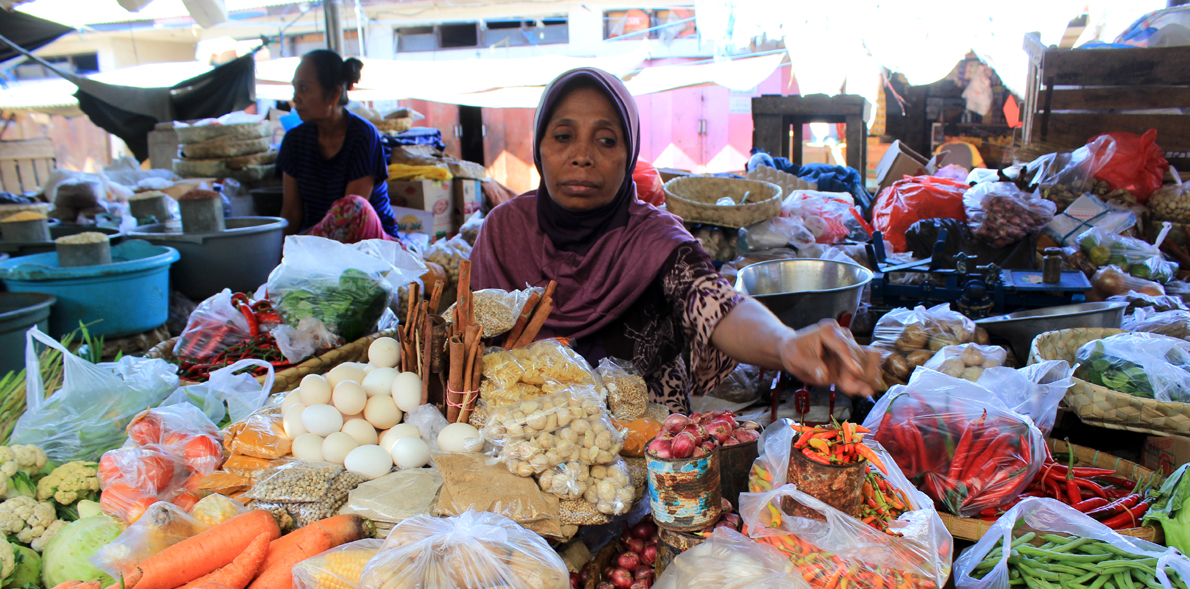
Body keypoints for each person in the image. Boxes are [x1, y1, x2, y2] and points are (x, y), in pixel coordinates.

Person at [471, 68, 880, 412]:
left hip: (649, 460)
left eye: (606, 139)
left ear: (629, 153)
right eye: (563, 136)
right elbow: (470, 340)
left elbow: (717, 305)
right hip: (525, 449)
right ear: (540, 146)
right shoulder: (504, 232)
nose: (582, 155)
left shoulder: (654, 237)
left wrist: (786, 343)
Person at [277, 50, 399, 243]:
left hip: (371, 243)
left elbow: (351, 216)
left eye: (304, 88)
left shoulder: (363, 135)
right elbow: (291, 212)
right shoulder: (294, 141)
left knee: (353, 207)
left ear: (333, 94)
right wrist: (279, 257)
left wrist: (301, 245)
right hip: (317, 244)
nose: (296, 98)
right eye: (295, 89)